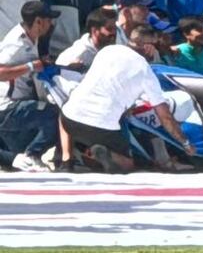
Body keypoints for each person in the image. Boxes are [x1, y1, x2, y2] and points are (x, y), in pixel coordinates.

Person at [60, 43, 195, 174]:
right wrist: (185, 143)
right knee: (127, 164)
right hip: (103, 127)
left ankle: (67, 159)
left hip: (70, 121)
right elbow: (165, 117)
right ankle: (103, 155)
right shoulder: (146, 73)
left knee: (65, 110)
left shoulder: (108, 50)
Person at [0, 2, 60, 172]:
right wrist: (32, 66)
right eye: (49, 20)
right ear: (38, 21)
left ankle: (18, 156)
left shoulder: (31, 37)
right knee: (54, 114)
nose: (52, 24)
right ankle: (31, 155)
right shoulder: (16, 44)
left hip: (20, 104)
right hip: (8, 107)